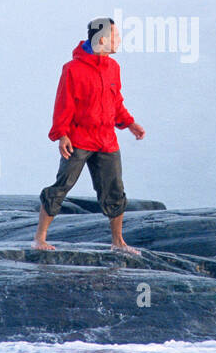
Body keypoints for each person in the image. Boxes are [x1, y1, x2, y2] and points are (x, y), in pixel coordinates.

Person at [35, 17, 145, 254]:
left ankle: (118, 241)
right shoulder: (72, 69)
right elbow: (63, 104)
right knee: (62, 185)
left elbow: (116, 101)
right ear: (102, 39)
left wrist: (129, 123)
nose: (119, 41)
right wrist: (61, 135)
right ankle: (40, 238)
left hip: (107, 140)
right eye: (115, 36)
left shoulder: (113, 67)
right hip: (79, 140)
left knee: (114, 189)